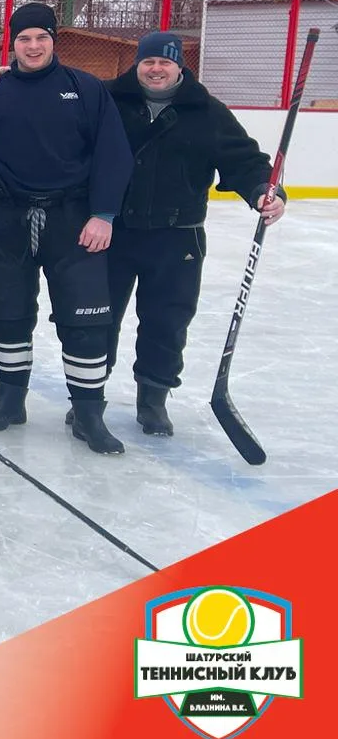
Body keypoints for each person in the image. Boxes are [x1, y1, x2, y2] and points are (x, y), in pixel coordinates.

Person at [0, 1, 133, 454]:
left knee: (85, 318)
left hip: (74, 219)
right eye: (24, 39)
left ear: (54, 41)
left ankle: (89, 412)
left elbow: (114, 154)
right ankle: (10, 401)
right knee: (7, 311)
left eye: (41, 38)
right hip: (6, 216)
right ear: (12, 44)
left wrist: (103, 214)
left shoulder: (84, 88)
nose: (33, 46)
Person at [103, 30, 286, 436]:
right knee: (98, 318)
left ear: (179, 67)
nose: (155, 69)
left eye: (165, 62)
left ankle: (153, 398)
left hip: (177, 236)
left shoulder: (206, 110)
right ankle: (89, 393)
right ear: (137, 64)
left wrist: (263, 191)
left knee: (167, 321)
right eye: (149, 61)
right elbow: (57, 103)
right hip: (113, 231)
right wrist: (7, 72)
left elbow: (246, 161)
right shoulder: (108, 99)